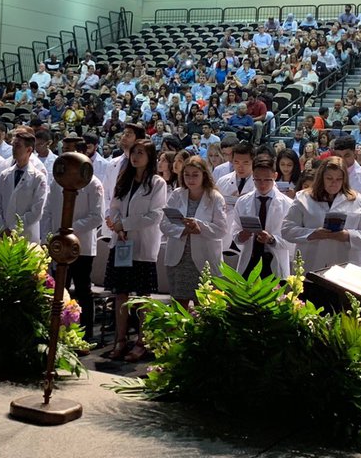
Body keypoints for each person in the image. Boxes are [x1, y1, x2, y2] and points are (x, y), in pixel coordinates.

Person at [103, 136, 168, 362]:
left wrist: (125, 224)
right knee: (121, 294)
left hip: (142, 246)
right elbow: (114, 207)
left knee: (142, 296)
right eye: (133, 152)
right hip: (122, 243)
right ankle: (120, 340)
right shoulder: (125, 179)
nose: (135, 157)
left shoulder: (157, 183)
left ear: (150, 157)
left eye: (141, 153)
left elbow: (155, 215)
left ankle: (142, 341)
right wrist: (117, 225)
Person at [44, 135, 106, 342]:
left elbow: (96, 216)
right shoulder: (56, 181)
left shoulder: (92, 183)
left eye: (70, 150)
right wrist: (51, 235)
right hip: (58, 244)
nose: (65, 155)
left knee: (81, 290)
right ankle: (59, 332)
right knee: (59, 290)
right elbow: (48, 210)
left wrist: (68, 230)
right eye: (64, 149)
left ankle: (85, 334)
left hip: (82, 246)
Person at [281, 155, 361, 271]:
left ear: (344, 179)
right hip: (310, 267)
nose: (334, 183)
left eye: (339, 179)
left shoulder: (357, 200)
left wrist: (348, 236)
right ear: (321, 178)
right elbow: (286, 230)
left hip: (345, 270)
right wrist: (313, 233)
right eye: (329, 178)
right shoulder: (303, 198)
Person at [161, 155, 228, 306]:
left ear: (204, 175)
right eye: (187, 175)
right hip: (179, 258)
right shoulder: (177, 194)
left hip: (204, 258)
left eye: (195, 175)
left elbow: (221, 230)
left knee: (203, 304)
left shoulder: (215, 197)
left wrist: (200, 226)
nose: (191, 179)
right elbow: (164, 224)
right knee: (179, 304)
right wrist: (182, 230)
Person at [232, 154, 295, 278]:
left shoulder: (288, 204)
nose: (262, 184)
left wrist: (272, 240)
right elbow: (234, 231)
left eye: (267, 180)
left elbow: (292, 242)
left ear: (275, 176)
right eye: (257, 179)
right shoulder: (243, 201)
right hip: (250, 260)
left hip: (274, 261)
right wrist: (241, 236)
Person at [0, 128, 49, 240]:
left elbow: (36, 211)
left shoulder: (38, 177)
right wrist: (2, 228)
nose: (14, 150)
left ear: (29, 150)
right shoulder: (5, 175)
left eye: (18, 146)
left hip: (26, 234)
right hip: (3, 234)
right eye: (13, 146)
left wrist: (13, 228)